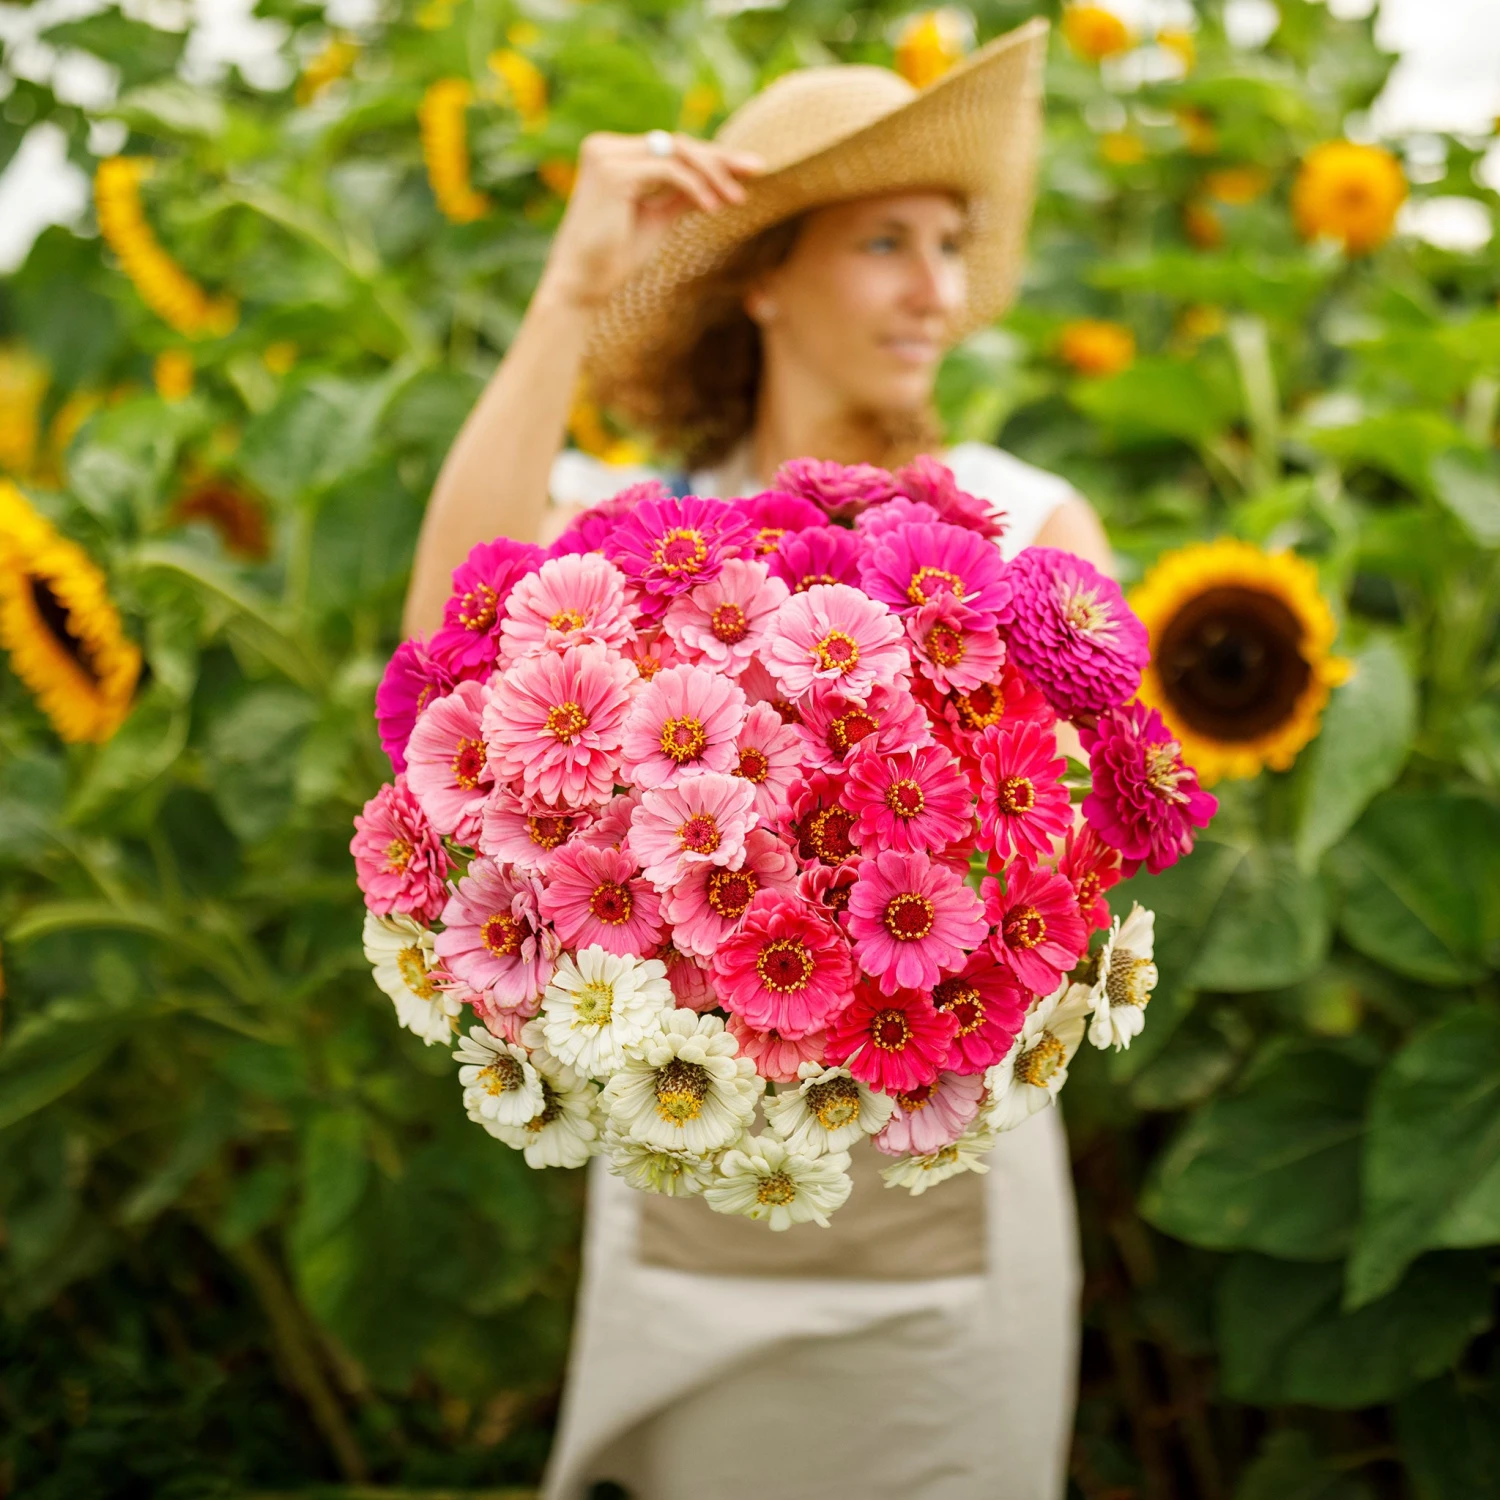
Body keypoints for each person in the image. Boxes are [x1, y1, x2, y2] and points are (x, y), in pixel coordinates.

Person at [403, 19, 1113, 1499]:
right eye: (887, 245)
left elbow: (1085, 834)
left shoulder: (1022, 522)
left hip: (946, 1221)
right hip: (694, 1185)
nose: (940, 292)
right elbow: (432, 678)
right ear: (767, 276)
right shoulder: (637, 533)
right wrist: (573, 285)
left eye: (951, 244)